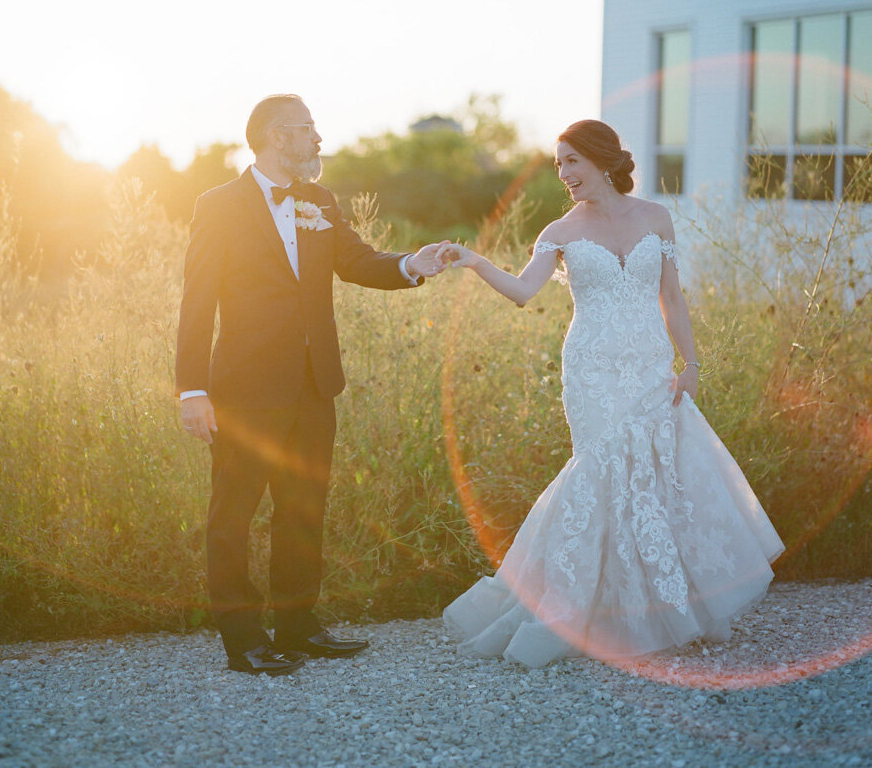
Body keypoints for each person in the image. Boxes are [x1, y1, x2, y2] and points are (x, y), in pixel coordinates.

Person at [439, 119, 783, 667]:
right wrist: (476, 261)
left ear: (601, 160)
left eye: (571, 161)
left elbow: (672, 296)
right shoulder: (561, 230)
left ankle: (666, 610)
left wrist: (690, 363)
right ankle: (571, 612)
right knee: (600, 474)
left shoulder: (656, 218)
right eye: (558, 165)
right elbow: (525, 292)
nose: (564, 174)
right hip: (592, 371)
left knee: (657, 476)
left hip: (649, 365)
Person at [176, 94, 447, 676]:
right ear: (276, 136)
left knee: (303, 510)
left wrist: (411, 264)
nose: (318, 139)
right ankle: (243, 638)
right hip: (244, 387)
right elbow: (196, 301)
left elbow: (356, 260)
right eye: (307, 129)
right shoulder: (218, 205)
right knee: (233, 515)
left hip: (314, 384)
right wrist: (192, 390)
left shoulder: (318, 200)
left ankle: (299, 627)